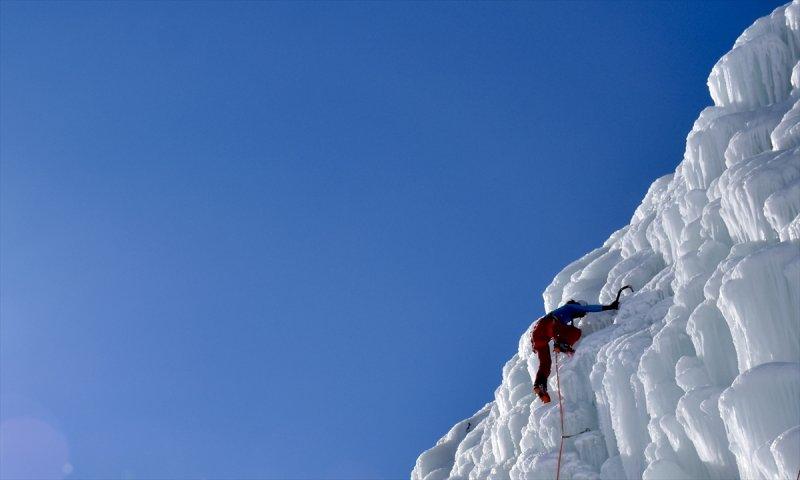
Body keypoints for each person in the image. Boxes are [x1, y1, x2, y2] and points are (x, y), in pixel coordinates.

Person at [530, 299, 619, 403]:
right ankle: (562, 344)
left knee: (545, 363)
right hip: (550, 325)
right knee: (575, 332)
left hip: (536, 337)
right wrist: (608, 307)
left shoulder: (562, 313)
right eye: (581, 313)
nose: (581, 315)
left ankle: (540, 384)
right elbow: (588, 308)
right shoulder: (569, 307)